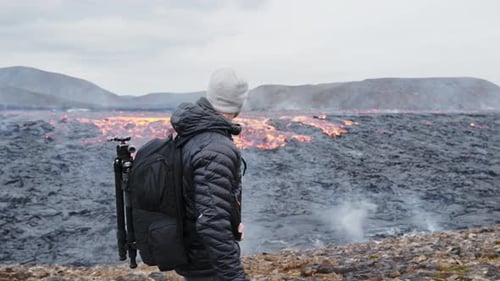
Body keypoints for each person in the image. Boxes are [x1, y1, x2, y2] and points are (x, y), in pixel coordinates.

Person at [170, 68, 249, 281]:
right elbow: (212, 221)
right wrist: (235, 277)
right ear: (239, 104)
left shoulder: (194, 132)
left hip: (191, 249)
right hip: (205, 259)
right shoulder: (215, 147)